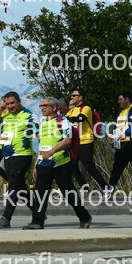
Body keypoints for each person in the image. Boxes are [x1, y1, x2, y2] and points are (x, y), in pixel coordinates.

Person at [24, 97, 92, 230]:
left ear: (54, 107)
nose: (42, 108)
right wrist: (36, 163)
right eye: (41, 106)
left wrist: (52, 151)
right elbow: (42, 144)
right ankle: (37, 222)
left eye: (45, 105)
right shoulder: (42, 122)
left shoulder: (63, 121)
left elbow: (67, 140)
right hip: (44, 163)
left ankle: (84, 217)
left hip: (61, 163)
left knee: (68, 192)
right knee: (40, 193)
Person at [0, 92, 37, 229]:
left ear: (19, 101)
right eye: (7, 104)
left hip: (23, 155)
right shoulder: (7, 115)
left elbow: (40, 133)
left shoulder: (30, 115)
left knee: (13, 185)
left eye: (12, 103)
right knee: (18, 186)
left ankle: (6, 218)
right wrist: (0, 110)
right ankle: (38, 211)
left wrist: (41, 154)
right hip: (8, 155)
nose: (10, 106)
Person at [66, 89, 109, 191]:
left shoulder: (86, 108)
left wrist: (64, 119)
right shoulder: (72, 111)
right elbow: (64, 120)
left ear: (80, 97)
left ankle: (106, 187)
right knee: (72, 166)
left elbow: (80, 119)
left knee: (89, 167)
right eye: (71, 95)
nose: (72, 97)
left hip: (85, 141)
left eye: (74, 95)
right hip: (75, 143)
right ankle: (84, 189)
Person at [107, 90, 132, 197]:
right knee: (116, 169)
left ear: (127, 99)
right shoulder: (120, 112)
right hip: (121, 145)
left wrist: (126, 133)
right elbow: (117, 128)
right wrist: (114, 143)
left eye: (120, 99)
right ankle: (110, 191)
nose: (118, 101)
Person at [58, 97, 87, 189]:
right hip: (70, 146)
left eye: (60, 108)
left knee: (83, 167)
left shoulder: (70, 116)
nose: (59, 111)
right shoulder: (62, 118)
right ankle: (83, 188)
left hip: (78, 144)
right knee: (73, 169)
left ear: (66, 106)